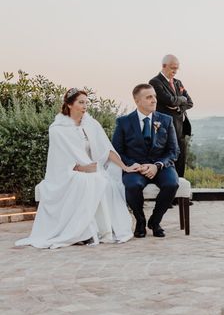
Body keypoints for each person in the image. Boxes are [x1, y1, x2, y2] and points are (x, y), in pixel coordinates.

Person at [15, 88, 135, 249]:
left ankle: (103, 231)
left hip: (92, 169)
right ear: (70, 105)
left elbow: (107, 150)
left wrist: (124, 167)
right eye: (81, 102)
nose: (85, 106)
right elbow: (59, 159)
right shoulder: (58, 129)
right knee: (89, 181)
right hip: (67, 173)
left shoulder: (91, 124)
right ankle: (85, 232)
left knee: (105, 181)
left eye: (86, 102)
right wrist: (81, 168)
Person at [112, 83, 179, 238]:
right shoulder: (123, 122)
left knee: (172, 184)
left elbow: (173, 151)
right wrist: (132, 164)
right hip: (135, 167)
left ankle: (155, 221)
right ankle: (140, 220)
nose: (154, 100)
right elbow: (117, 151)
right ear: (137, 101)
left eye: (154, 96)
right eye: (149, 97)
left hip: (161, 166)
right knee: (132, 185)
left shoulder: (166, 120)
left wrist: (157, 165)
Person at [149, 54, 193, 178]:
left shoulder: (178, 83)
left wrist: (178, 106)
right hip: (164, 128)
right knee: (167, 158)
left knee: (181, 158)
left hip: (180, 128)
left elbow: (189, 102)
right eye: (173, 68)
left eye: (177, 68)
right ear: (164, 66)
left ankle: (180, 187)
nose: (175, 71)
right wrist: (180, 99)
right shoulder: (155, 82)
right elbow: (169, 100)